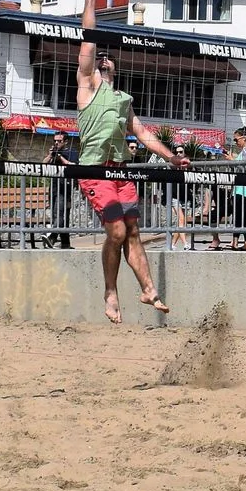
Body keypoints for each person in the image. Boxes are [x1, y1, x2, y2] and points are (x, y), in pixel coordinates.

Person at [74, 40, 183, 322]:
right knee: (118, 233)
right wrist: (90, 0)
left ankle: (149, 290)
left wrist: (171, 158)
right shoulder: (87, 86)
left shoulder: (123, 99)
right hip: (95, 171)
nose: (104, 59)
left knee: (133, 231)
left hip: (121, 172)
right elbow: (87, 41)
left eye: (109, 57)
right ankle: (111, 293)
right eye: (100, 57)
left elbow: (143, 133)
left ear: (115, 67)